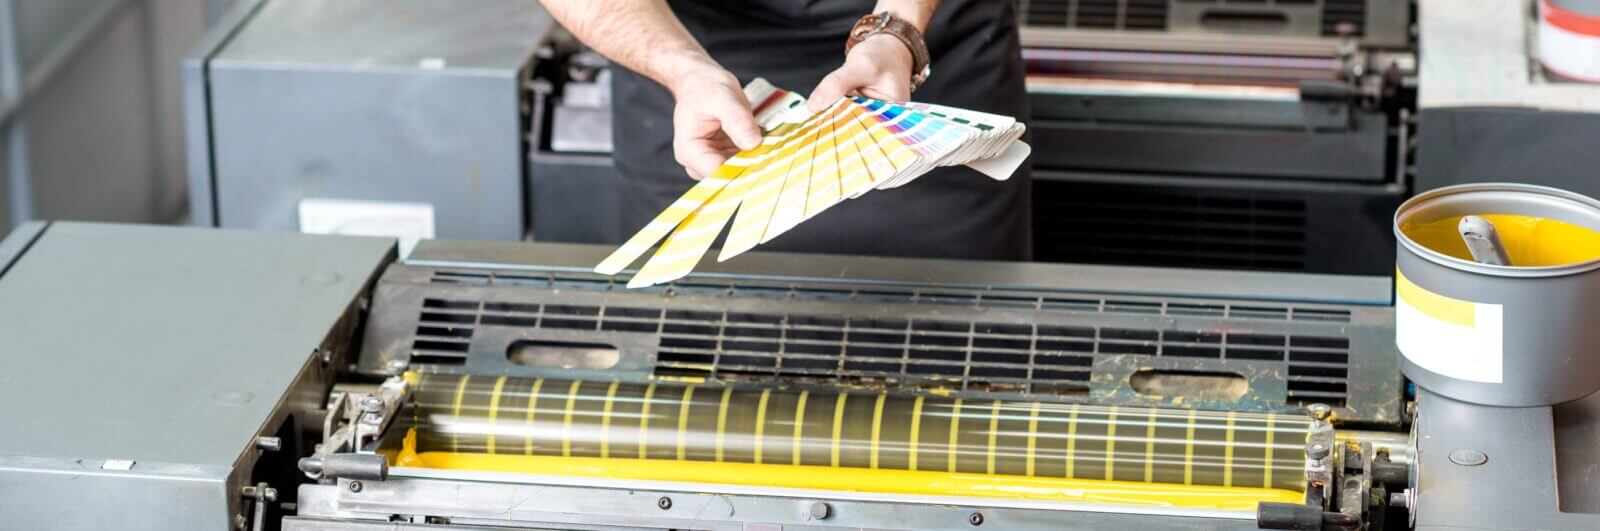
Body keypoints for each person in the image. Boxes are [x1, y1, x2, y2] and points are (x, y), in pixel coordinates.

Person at [539, 1, 1031, 260]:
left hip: (921, 51)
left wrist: (898, 31)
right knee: (696, 345)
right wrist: (682, 68)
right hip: (686, 59)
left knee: (959, 345)